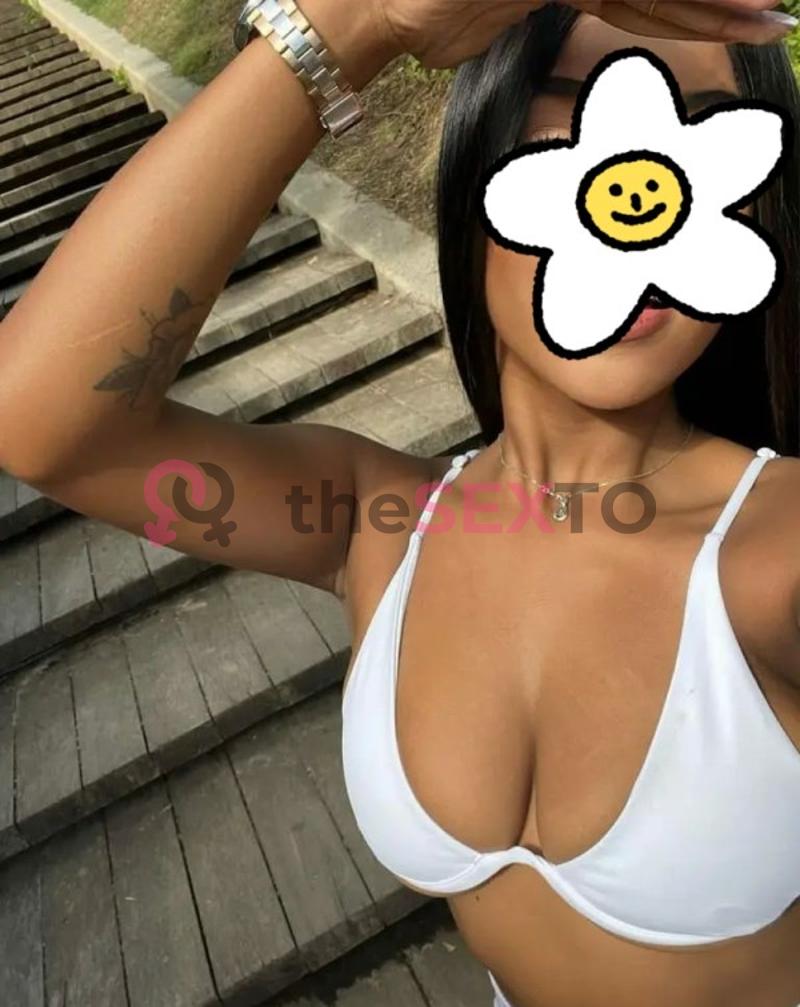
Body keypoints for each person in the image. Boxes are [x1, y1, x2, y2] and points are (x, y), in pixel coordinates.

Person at [0, 1, 799, 1005]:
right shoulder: (373, 523)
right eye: (571, 129)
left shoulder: (775, 551)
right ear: (478, 173)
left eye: (701, 144)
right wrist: (347, 28)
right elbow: (47, 427)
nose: (639, 201)